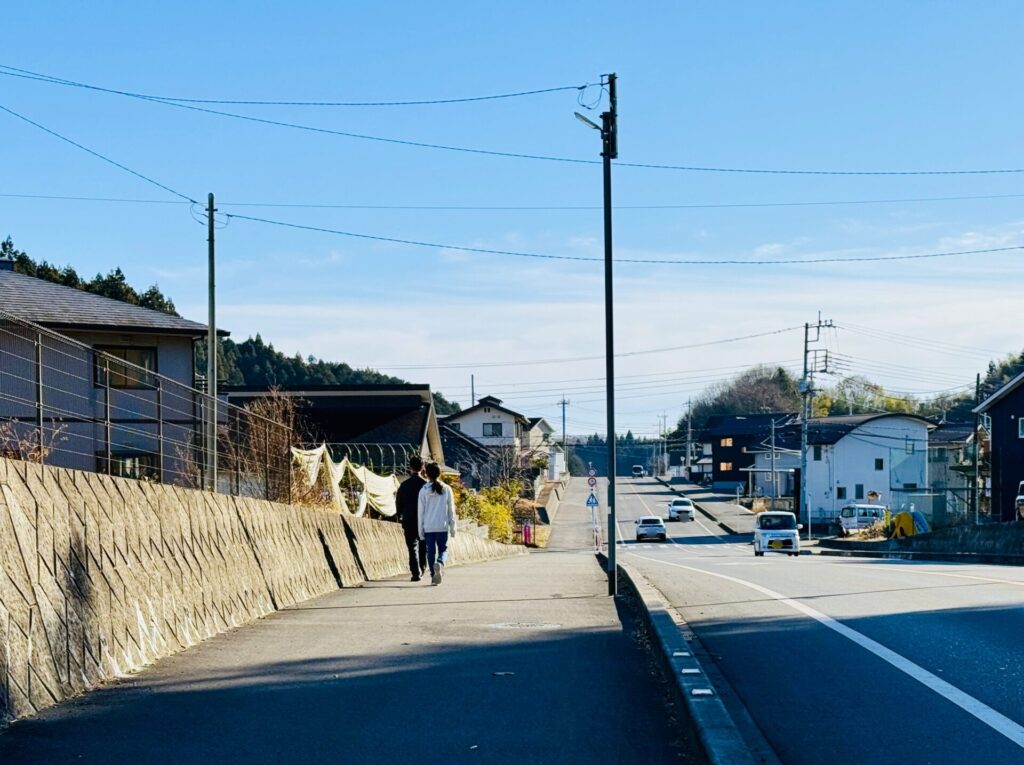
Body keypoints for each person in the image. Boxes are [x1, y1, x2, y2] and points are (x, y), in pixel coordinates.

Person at [418, 462, 458, 585]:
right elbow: (451, 509)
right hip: (442, 525)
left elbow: (420, 512)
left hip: (428, 526)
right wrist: (453, 527)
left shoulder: (423, 490)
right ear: (440, 473)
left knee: (430, 552)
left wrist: (420, 531)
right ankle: (440, 563)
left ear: (427, 474)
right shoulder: (446, 489)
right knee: (443, 550)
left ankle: (433, 576)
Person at [395, 456, 427, 581]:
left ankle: (415, 572)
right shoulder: (425, 486)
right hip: (423, 520)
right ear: (422, 467)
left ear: (410, 467)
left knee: (412, 546)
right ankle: (422, 567)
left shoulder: (404, 485)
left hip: (408, 519)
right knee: (423, 544)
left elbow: (399, 502)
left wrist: (399, 515)